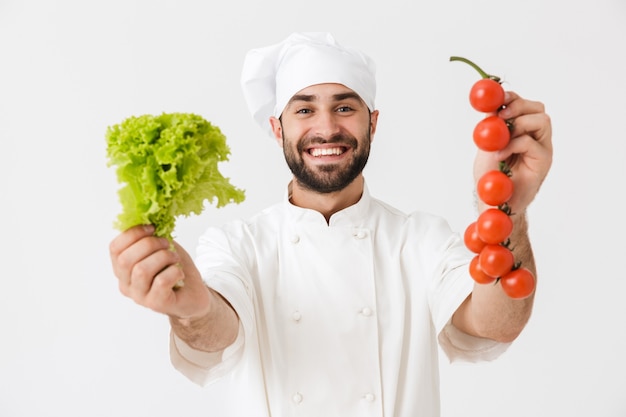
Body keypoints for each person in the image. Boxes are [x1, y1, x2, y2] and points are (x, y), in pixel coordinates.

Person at [109, 32, 553, 416]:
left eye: (344, 108)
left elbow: (496, 322)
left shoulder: (421, 240)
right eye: (303, 110)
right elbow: (217, 328)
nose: (326, 128)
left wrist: (504, 207)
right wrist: (194, 310)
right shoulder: (237, 244)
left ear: (372, 124)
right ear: (277, 128)